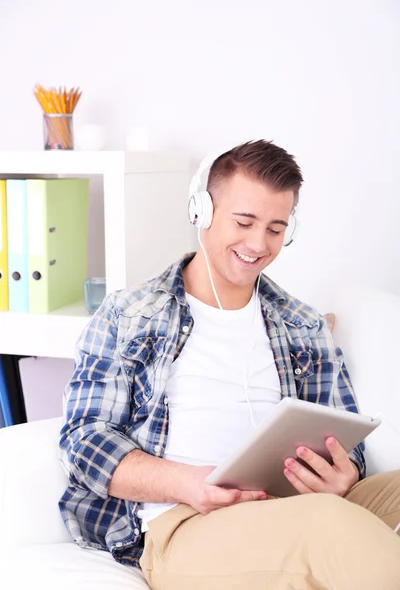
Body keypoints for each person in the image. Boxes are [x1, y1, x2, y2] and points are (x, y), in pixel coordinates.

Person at [59, 140, 400, 590]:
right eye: (244, 222)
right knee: (327, 524)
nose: (258, 244)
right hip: (185, 524)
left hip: (295, 507)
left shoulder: (302, 324)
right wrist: (187, 484)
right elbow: (84, 444)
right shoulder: (129, 314)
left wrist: (344, 473)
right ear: (202, 211)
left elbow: (342, 435)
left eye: (276, 228)